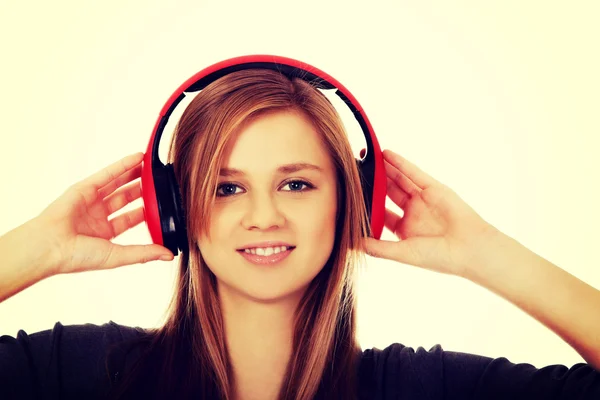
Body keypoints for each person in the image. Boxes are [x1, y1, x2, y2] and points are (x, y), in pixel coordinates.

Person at [1, 69, 599, 400]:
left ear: (351, 203)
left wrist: (486, 255)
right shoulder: (78, 371)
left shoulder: (420, 388)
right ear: (175, 209)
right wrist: (37, 249)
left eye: (296, 185)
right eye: (226, 187)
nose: (264, 217)